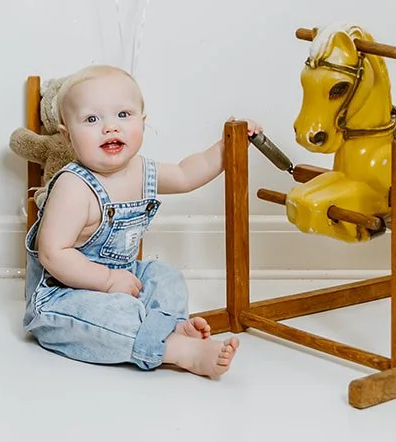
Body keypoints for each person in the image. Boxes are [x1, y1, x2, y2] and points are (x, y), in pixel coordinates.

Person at [24, 64, 254, 378]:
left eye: (123, 115)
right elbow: (53, 253)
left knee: (165, 277)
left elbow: (186, 174)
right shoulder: (73, 186)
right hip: (65, 295)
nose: (110, 128)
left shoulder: (140, 170)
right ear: (68, 136)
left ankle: (171, 329)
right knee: (111, 315)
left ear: (142, 122)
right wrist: (107, 281)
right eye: (92, 119)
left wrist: (226, 147)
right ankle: (178, 350)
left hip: (124, 277)